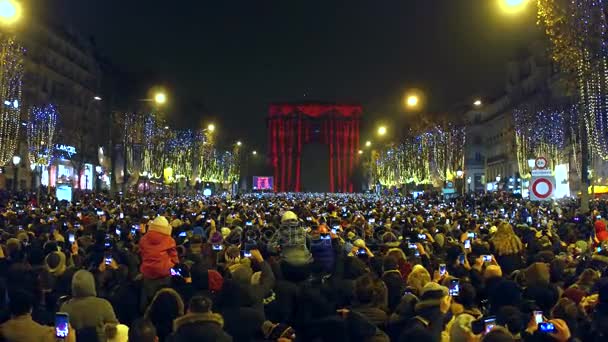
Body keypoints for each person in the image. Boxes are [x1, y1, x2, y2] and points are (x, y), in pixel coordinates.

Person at [60, 269, 118, 342]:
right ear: (92, 284)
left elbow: (61, 335)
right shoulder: (103, 305)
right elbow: (114, 330)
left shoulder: (65, 307)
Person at [139, 216, 179, 309]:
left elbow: (142, 253)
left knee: (149, 296)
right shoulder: (169, 240)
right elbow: (174, 257)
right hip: (164, 272)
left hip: (148, 272)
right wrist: (175, 266)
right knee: (163, 297)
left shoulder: (143, 239)